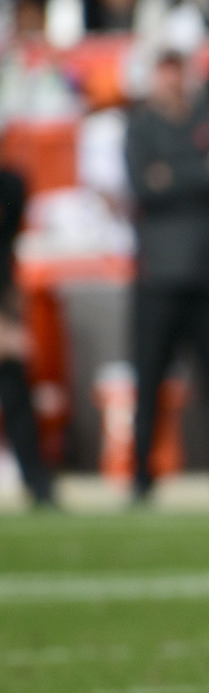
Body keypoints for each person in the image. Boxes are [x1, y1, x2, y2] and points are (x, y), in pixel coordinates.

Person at [124, 50, 209, 500]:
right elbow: (144, 185)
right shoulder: (140, 127)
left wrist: (174, 176)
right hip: (159, 277)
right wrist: (204, 172)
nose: (172, 86)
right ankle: (141, 474)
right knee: (149, 380)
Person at [0, 168, 52, 505]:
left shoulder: (11, 185)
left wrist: (9, 314)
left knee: (15, 389)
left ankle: (38, 483)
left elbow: (6, 256)